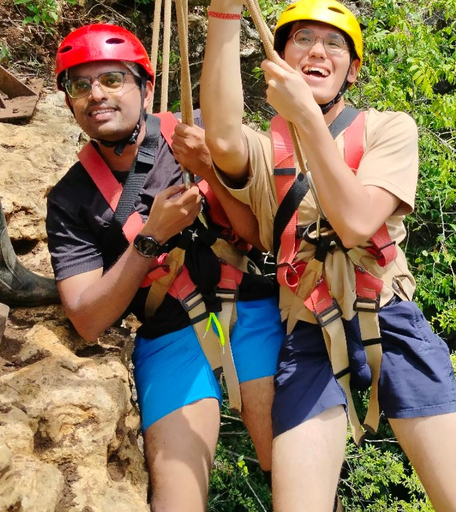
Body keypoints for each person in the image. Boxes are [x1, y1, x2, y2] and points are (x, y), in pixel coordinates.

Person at [199, 0, 456, 510]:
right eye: (302, 40)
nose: (317, 50)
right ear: (278, 59)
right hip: (309, 326)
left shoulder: (390, 129)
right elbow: (222, 135)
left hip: (388, 316)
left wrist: (306, 116)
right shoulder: (266, 148)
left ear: (352, 70)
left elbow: (356, 223)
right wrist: (222, 18)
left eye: (334, 43)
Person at [46, 24, 283, 512]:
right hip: (170, 331)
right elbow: (87, 319)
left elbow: (267, 235)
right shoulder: (71, 199)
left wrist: (214, 169)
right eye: (80, 85)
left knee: (295, 479)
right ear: (68, 102)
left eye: (112, 79)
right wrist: (150, 239)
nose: (96, 95)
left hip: (251, 306)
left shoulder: (194, 137)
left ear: (145, 87)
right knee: (177, 501)